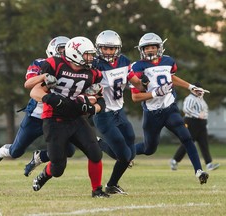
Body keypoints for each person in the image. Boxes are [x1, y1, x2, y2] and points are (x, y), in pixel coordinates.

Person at [29, 36, 109, 198]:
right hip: (54, 120)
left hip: (76, 118)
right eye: (87, 54)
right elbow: (35, 91)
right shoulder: (55, 65)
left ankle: (97, 190)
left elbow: (101, 100)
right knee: (58, 168)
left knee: (95, 153)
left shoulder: (92, 73)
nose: (91, 58)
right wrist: (51, 99)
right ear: (75, 53)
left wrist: (93, 108)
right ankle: (45, 174)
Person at [0, 36, 75, 177]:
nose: (65, 53)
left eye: (67, 50)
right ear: (53, 51)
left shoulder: (74, 68)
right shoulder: (41, 63)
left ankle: (40, 157)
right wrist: (43, 76)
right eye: (62, 50)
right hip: (36, 116)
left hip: (56, 117)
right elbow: (28, 84)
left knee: (68, 150)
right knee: (16, 151)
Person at [131, 32, 209, 184]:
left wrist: (190, 87)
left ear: (160, 48)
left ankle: (198, 171)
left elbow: (171, 78)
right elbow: (135, 97)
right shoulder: (137, 67)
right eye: (147, 48)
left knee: (186, 137)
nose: (150, 50)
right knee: (149, 149)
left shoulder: (168, 61)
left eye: (153, 47)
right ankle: (126, 154)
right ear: (141, 50)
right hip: (152, 113)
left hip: (169, 109)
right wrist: (155, 93)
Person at [92, 30, 145, 194]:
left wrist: (146, 84)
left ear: (118, 49)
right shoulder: (95, 65)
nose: (108, 52)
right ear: (99, 48)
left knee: (131, 150)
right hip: (104, 114)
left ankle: (112, 185)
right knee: (124, 155)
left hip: (119, 111)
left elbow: (135, 81)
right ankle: (98, 143)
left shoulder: (124, 61)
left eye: (111, 49)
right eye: (105, 48)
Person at [170, 82, 220, 171]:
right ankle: (174, 160)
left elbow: (205, 111)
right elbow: (186, 109)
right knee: (188, 142)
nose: (200, 92)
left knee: (204, 143)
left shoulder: (201, 99)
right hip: (192, 122)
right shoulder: (190, 98)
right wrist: (198, 115)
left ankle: (209, 164)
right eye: (198, 90)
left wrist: (204, 119)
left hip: (201, 124)